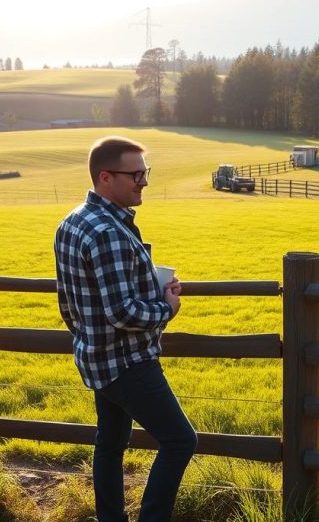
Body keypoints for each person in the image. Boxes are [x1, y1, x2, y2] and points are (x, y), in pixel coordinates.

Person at [55, 136, 196, 522]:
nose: (144, 181)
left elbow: (67, 302)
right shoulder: (108, 232)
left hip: (96, 358)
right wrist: (165, 308)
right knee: (180, 440)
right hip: (128, 361)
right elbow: (122, 311)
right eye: (136, 174)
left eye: (144, 172)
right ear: (106, 177)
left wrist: (87, 335)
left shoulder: (72, 221)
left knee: (111, 444)